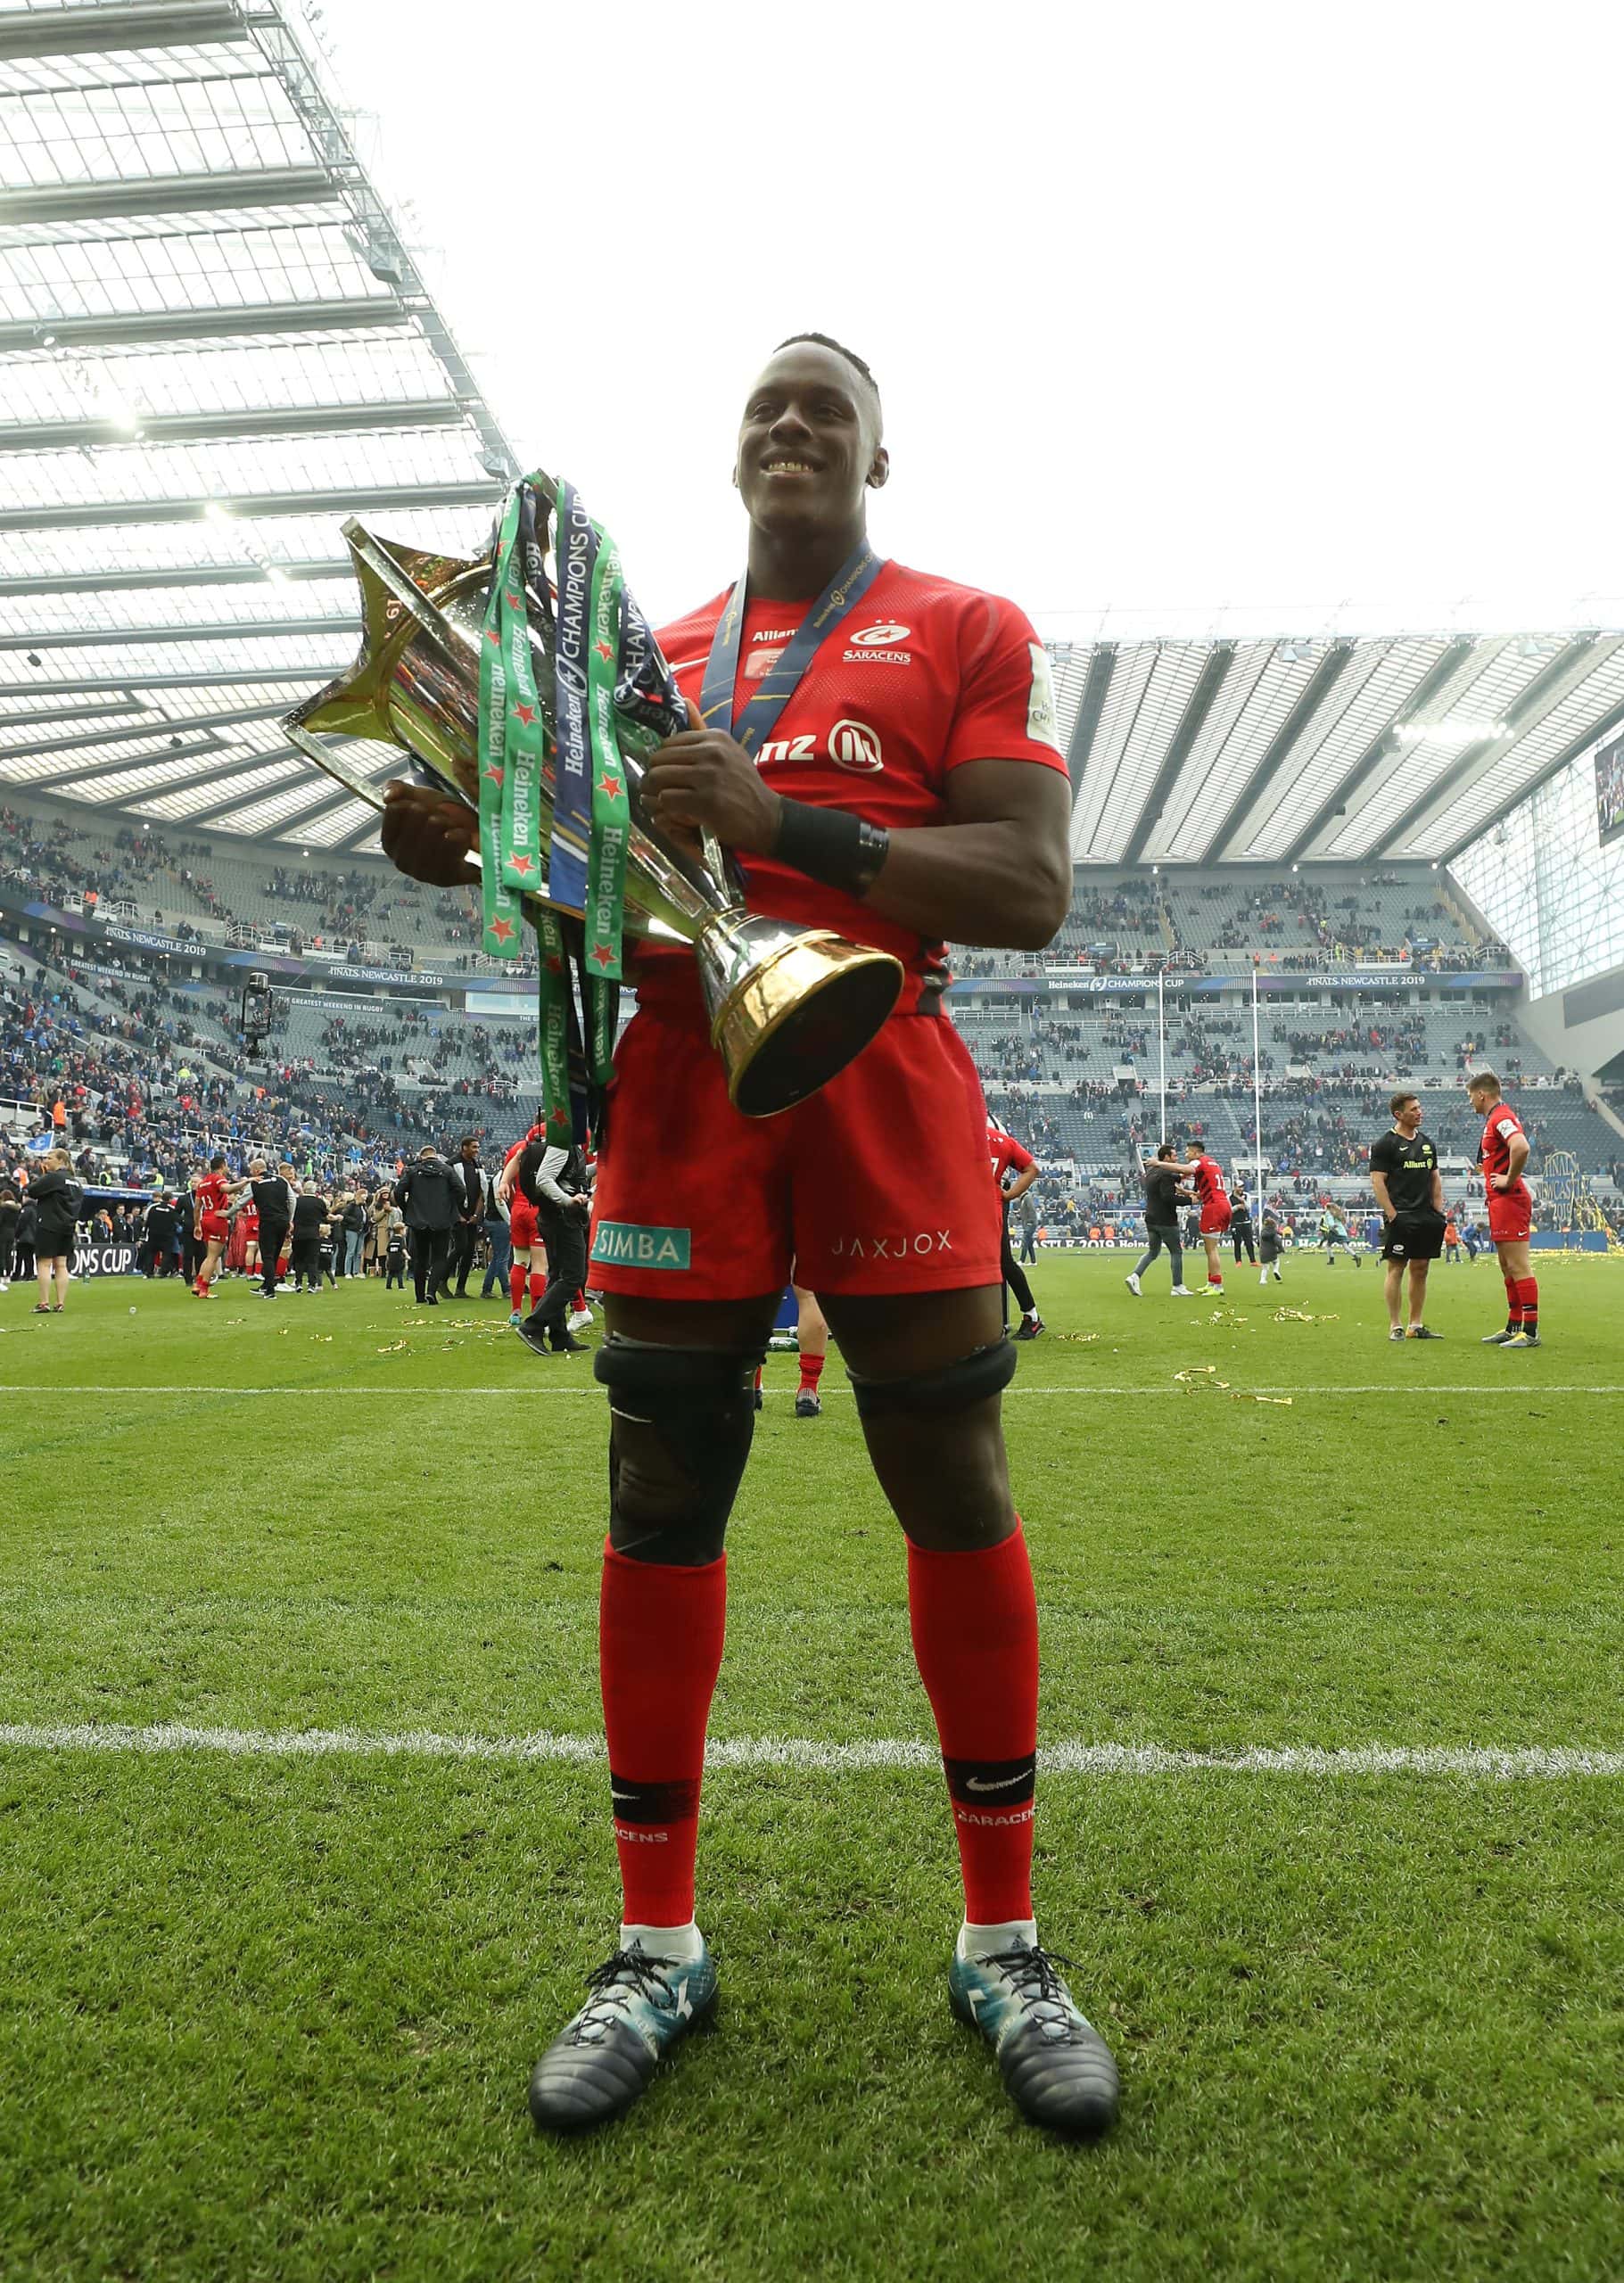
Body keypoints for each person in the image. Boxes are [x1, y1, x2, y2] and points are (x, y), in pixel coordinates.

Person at [380, 333, 1116, 2140]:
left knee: (947, 1460)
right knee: (657, 1472)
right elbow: (583, 873)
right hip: (680, 1087)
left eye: (826, 409)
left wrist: (783, 823)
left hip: (880, 1060)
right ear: (733, 455)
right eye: (764, 407)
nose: (790, 425)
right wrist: (469, 833)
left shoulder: (962, 625)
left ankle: (1003, 1935)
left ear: (877, 450)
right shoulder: (645, 661)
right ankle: (652, 1942)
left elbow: (1025, 888)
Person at [501, 1130, 590, 1356]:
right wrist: (568, 1200)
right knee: (573, 1276)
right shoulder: (562, 1146)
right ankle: (533, 1326)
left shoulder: (562, 1146)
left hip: (551, 1216)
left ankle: (559, 1334)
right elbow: (544, 1179)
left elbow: (569, 1175)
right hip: (562, 1217)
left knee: (560, 1274)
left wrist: (603, 1167)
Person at [1468, 1069, 1539, 1348]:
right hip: (1499, 1201)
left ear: (1481, 1094)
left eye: (1471, 1097)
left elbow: (1520, 1147)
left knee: (1518, 1266)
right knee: (1506, 1266)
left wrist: (1509, 1178)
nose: (1471, 1103)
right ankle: (1513, 1325)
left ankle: (1530, 1332)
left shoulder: (1501, 1117)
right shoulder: (1494, 1120)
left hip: (1510, 1199)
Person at [1369, 1091, 1446, 1342]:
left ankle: (1415, 1324)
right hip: (1401, 1216)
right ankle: (1395, 1325)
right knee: (1396, 1268)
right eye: (1413, 1109)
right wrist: (1392, 1214)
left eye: (1419, 1107)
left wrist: (1438, 1210)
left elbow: (1434, 1178)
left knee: (1421, 1269)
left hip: (1426, 1216)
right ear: (1398, 1114)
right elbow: (1377, 1182)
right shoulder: (1385, 1145)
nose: (1419, 1112)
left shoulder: (1427, 1143)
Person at [988, 1114, 1043, 1338]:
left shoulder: (955, 1136)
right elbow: (1032, 1168)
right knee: (1002, 1263)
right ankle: (1021, 1318)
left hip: (972, 1209)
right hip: (993, 1204)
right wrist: (1008, 1194)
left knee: (997, 1263)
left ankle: (1000, 1322)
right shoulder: (1000, 1139)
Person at [1125, 1143, 1193, 1297]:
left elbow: (1166, 1180)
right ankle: (1177, 1286)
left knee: (1152, 1252)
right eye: (1174, 1156)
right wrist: (1190, 1200)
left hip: (1151, 1218)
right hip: (1166, 1220)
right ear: (1167, 1157)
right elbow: (1168, 1196)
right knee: (1176, 1252)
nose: (1177, 1159)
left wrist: (1180, 1176)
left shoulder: (1152, 1171)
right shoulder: (1166, 1174)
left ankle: (1134, 1276)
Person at [394, 1143, 457, 1305]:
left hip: (418, 1221)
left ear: (421, 1157)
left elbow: (398, 1191)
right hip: (442, 1220)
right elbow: (461, 1190)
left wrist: (407, 1209)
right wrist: (451, 1208)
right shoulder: (447, 1171)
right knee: (439, 1258)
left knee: (420, 1259)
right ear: (436, 1156)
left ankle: (420, 1296)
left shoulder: (412, 1171)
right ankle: (432, 1292)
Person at [1168, 1146, 1229, 1292]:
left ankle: (1217, 1285)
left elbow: (1185, 1169)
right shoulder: (1212, 1164)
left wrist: (1158, 1164)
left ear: (1196, 1152)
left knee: (1212, 1249)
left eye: (1188, 1151)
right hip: (1221, 1204)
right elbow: (1203, 1194)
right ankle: (1211, 1282)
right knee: (1210, 1248)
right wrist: (1184, 1192)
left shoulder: (1199, 1162)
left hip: (1214, 1207)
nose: (1186, 1154)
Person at [28, 1150, 81, 1313]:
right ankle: (60, 1303)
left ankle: (44, 1303)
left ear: (60, 1161)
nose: (45, 1161)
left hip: (50, 1225)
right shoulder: (76, 1182)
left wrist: (42, 1177)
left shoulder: (54, 1178)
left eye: (49, 1158)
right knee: (61, 1264)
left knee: (44, 1263)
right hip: (67, 1227)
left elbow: (32, 1190)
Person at [190, 1154, 239, 1298]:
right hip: (218, 1218)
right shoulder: (218, 1179)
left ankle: (198, 1284)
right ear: (222, 1166)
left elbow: (197, 1207)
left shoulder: (202, 1182)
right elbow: (227, 1189)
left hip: (206, 1218)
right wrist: (246, 1182)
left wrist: (197, 1225)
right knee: (214, 1257)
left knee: (209, 1256)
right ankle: (205, 1289)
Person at [445, 1136, 487, 1299]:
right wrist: (457, 1214)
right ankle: (441, 1279)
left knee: (469, 1251)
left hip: (472, 1216)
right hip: (457, 1215)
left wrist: (477, 1214)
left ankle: (460, 1288)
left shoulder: (477, 1166)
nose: (477, 1150)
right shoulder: (451, 1165)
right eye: (474, 1147)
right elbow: (447, 1193)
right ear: (464, 1147)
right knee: (460, 1247)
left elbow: (481, 1192)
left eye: (478, 1147)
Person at [249, 1158, 294, 1298]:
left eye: (251, 1170)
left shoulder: (255, 1183)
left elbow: (243, 1200)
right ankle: (267, 1285)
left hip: (268, 1221)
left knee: (267, 1255)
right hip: (282, 1221)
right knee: (274, 1254)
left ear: (256, 1170)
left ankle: (270, 1291)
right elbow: (292, 1200)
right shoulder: (281, 1180)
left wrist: (228, 1213)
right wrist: (289, 1219)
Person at [288, 1180, 326, 1294]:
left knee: (299, 1260)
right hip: (313, 1234)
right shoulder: (319, 1202)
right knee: (312, 1261)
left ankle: (298, 1283)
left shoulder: (297, 1201)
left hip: (298, 1234)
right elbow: (325, 1216)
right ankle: (311, 1284)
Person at [1228, 1187, 1256, 1265]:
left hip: (1246, 1222)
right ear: (1235, 1187)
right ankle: (1238, 1261)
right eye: (1239, 1187)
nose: (1241, 1188)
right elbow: (1228, 1210)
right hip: (1236, 1223)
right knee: (1237, 1243)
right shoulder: (1229, 1197)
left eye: (1242, 1186)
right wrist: (1237, 1207)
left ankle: (1253, 1261)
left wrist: (1243, 1201)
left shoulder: (1246, 1195)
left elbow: (1248, 1207)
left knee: (1249, 1242)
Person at [0, 1177, 19, 1292]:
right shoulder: (16, 1209)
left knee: (1, 1255)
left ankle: (1, 1275)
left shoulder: (3, 1209)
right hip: (12, 1233)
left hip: (2, 1232)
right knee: (9, 1255)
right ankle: (8, 1275)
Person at [1257, 1207, 1283, 1285]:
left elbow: (1258, 1242)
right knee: (1276, 1261)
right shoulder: (1273, 1233)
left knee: (1265, 1267)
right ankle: (1276, 1270)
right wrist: (1281, 1249)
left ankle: (1262, 1280)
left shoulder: (1263, 1231)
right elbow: (1278, 1242)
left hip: (1263, 1252)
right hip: (1272, 1251)